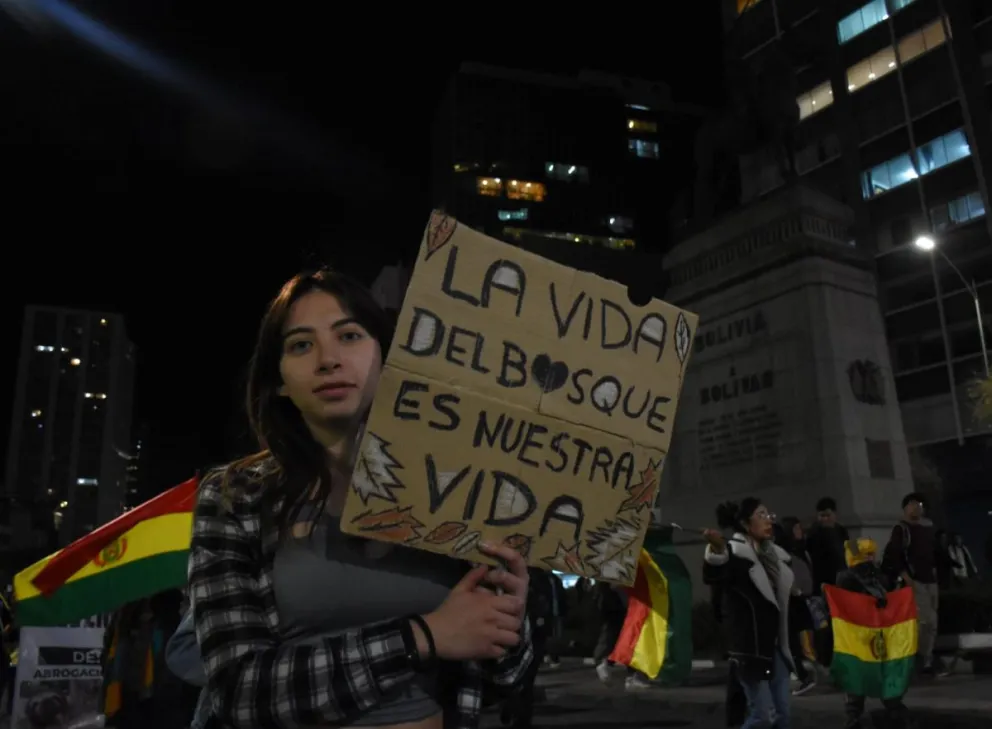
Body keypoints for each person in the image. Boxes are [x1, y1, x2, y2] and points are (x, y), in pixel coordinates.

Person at [188, 269, 532, 729]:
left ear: (388, 358)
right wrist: (420, 638)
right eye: (301, 345)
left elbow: (503, 680)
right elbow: (239, 691)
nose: (328, 359)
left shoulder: (454, 486)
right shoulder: (235, 497)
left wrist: (509, 618)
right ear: (279, 382)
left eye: (349, 335)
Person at [704, 499, 795, 729]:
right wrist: (717, 549)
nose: (768, 521)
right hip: (750, 649)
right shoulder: (736, 556)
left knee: (783, 715)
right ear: (746, 524)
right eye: (761, 516)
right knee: (763, 715)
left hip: (777, 648)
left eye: (769, 515)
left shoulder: (775, 557)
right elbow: (716, 573)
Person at [835, 538, 910, 729]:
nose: (871, 557)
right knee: (861, 674)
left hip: (875, 633)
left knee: (874, 672)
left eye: (871, 553)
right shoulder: (849, 577)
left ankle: (888, 708)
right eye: (867, 554)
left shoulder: (874, 575)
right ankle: (858, 714)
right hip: (859, 634)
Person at [882, 492, 945, 677]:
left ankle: (926, 657)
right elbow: (894, 554)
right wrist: (905, 576)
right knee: (923, 621)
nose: (916, 507)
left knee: (932, 621)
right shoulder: (901, 529)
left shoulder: (927, 529)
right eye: (912, 504)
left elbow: (934, 553)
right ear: (905, 508)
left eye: (919, 504)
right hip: (915, 580)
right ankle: (920, 659)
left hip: (930, 581)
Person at [777, 517, 816, 696]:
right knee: (790, 641)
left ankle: (800, 675)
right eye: (797, 528)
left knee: (791, 640)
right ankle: (799, 674)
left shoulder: (799, 550)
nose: (801, 531)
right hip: (791, 601)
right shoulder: (786, 552)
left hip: (796, 601)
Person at [805, 497, 849, 594]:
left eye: (828, 515)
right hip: (823, 579)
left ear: (834, 514)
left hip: (841, 578)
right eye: (822, 516)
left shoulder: (842, 530)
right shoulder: (814, 533)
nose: (825, 519)